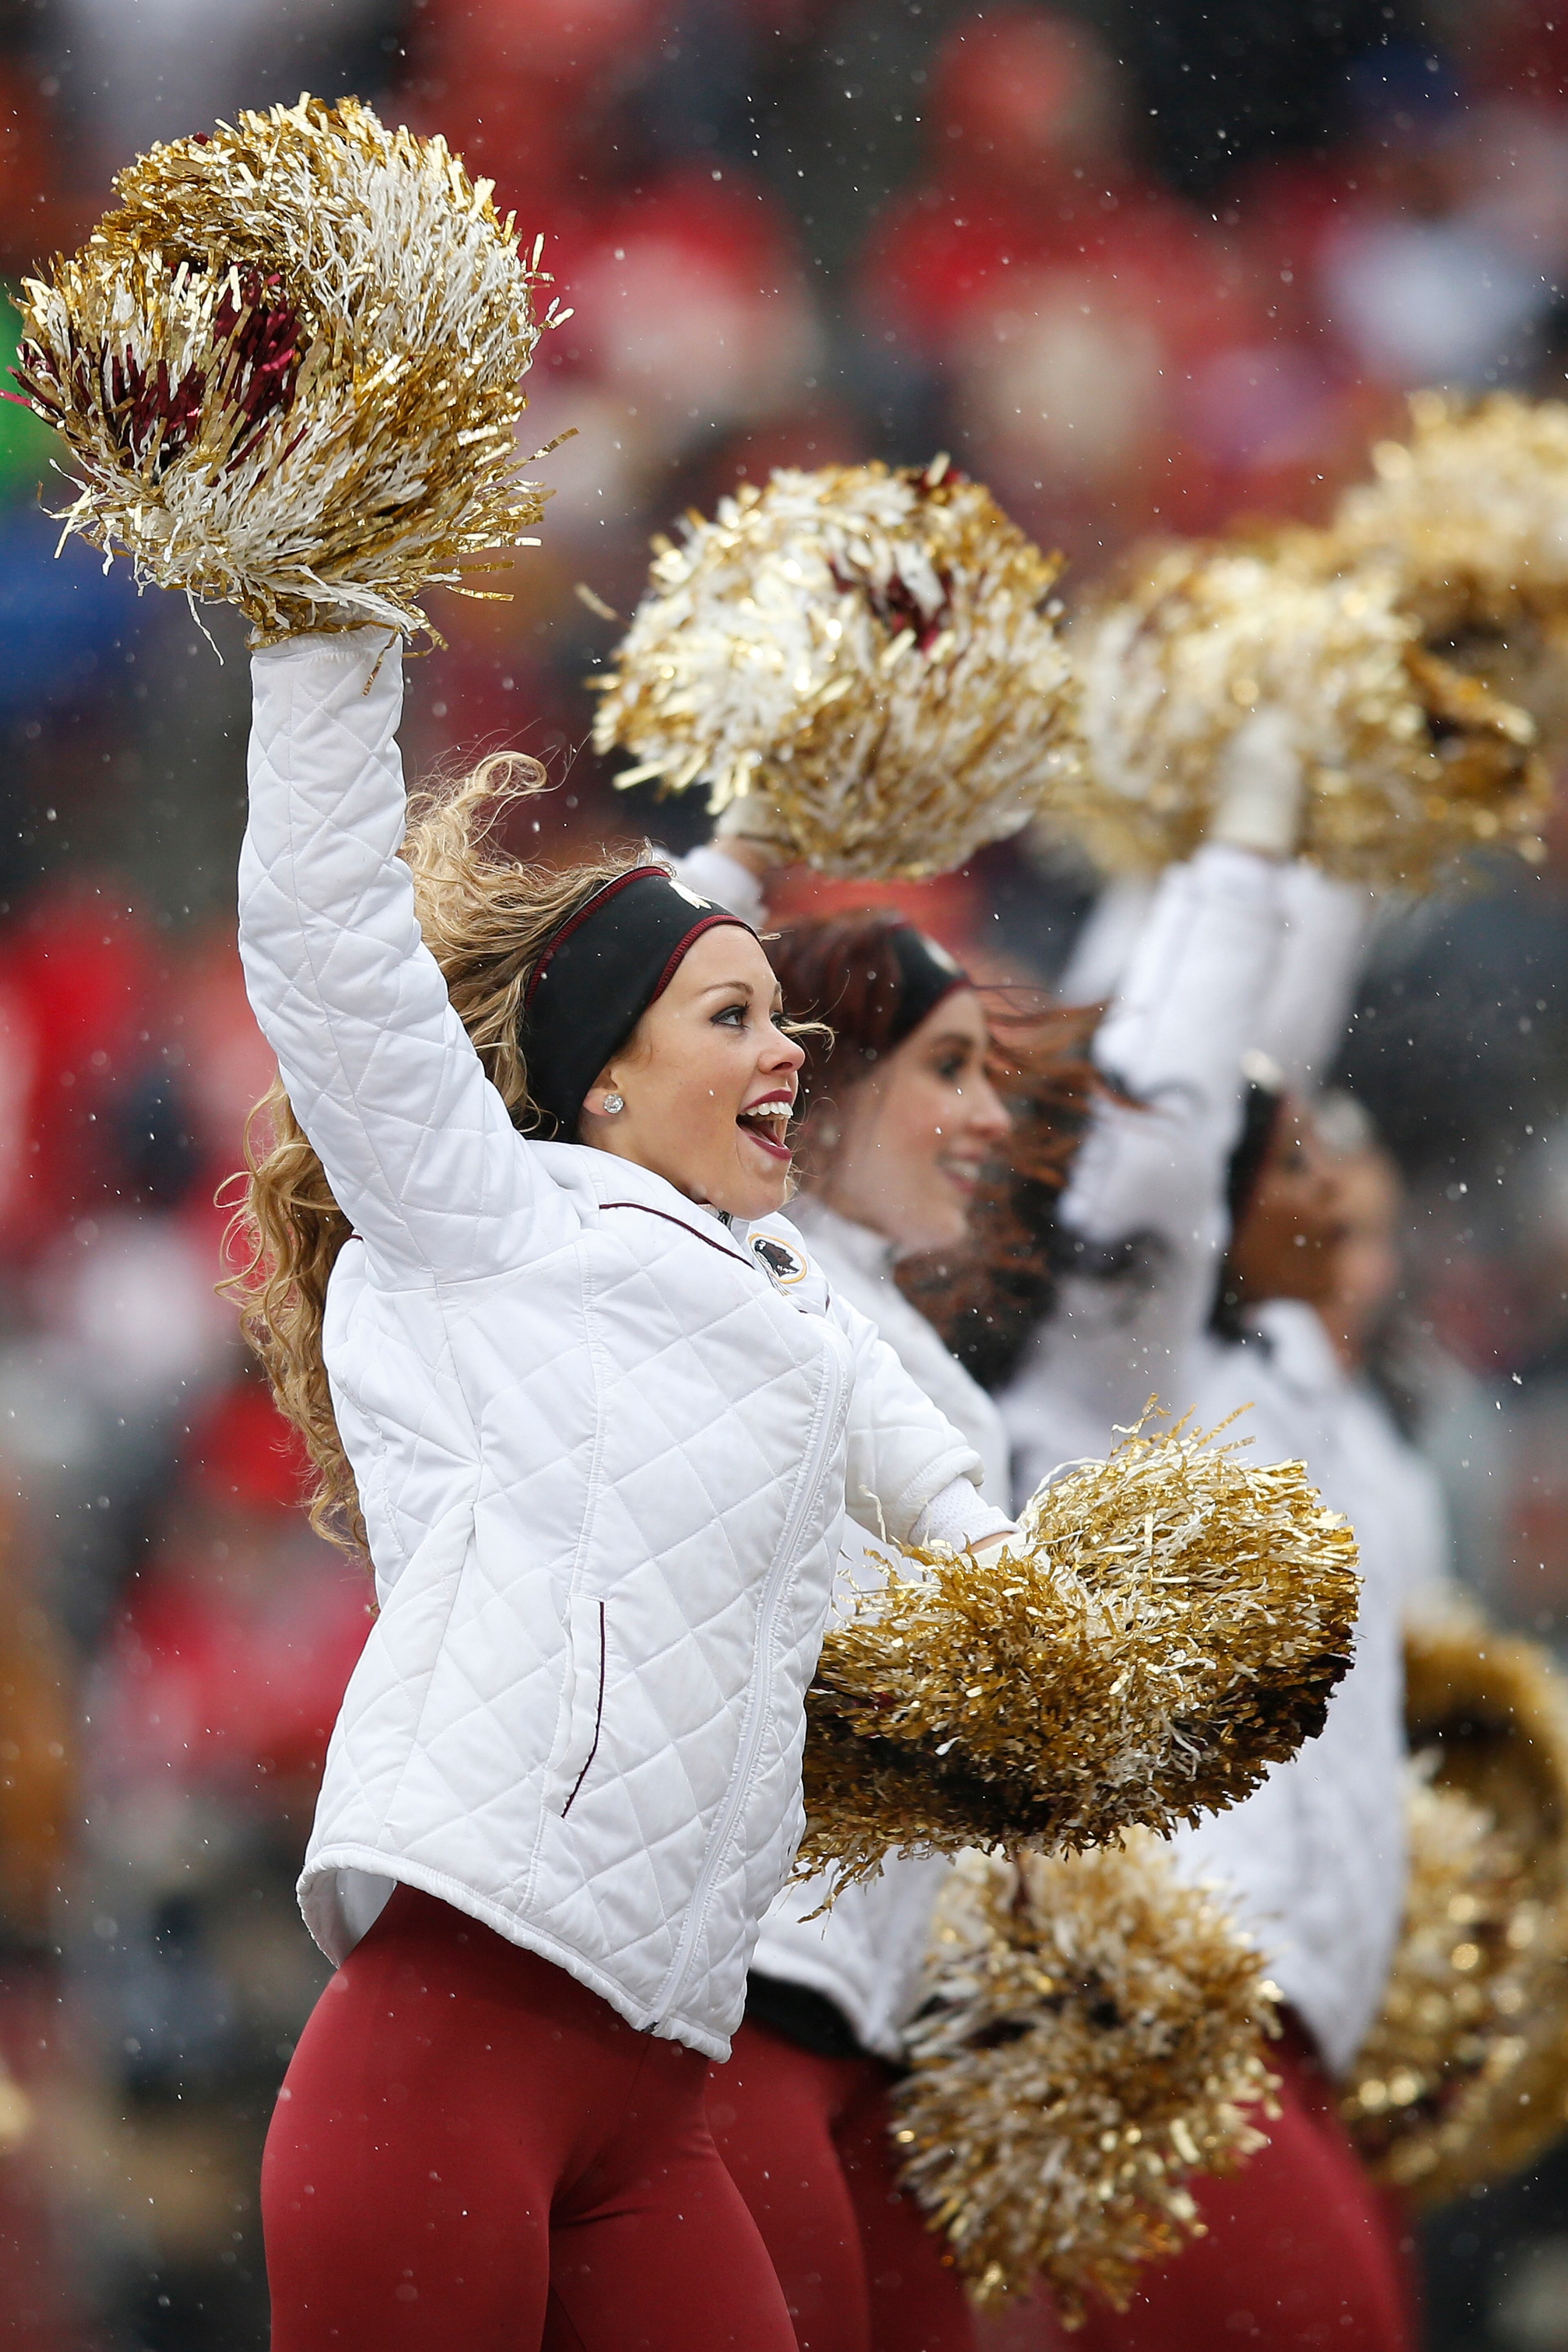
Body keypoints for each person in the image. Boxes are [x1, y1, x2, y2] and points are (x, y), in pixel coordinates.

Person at [231, 629, 1018, 2352]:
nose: (786, 1053)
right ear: (601, 1079)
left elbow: (906, 1443)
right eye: (733, 1021)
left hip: (661, 2077)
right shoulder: (493, 1226)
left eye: (787, 1022)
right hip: (453, 2057)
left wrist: (1026, 1599)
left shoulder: (786, 1297)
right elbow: (328, 953)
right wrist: (329, 647)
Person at [1003, 859, 1421, 2352]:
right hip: (1184, 2044)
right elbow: (1165, 1106)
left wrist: (1352, 835)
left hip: (1304, 2035)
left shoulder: (1330, 1403)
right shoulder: (1130, 1381)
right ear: (1219, 1207)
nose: (1335, 1187)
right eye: (1294, 1157)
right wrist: (1250, 836)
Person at [700, 906, 1044, 2352]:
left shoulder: (890, 1329)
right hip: (760, 2000)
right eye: (950, 1068)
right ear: (826, 1091)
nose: (989, 1115)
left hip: (872, 2026)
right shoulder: (750, 1284)